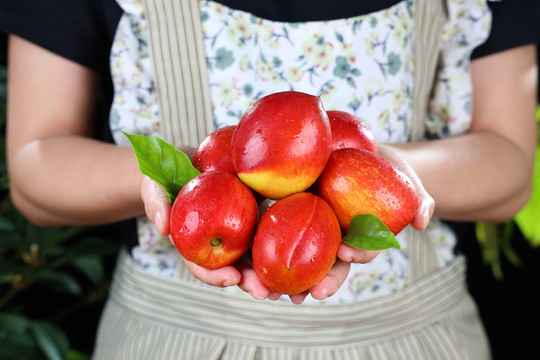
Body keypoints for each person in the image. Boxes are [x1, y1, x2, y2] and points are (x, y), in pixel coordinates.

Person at [1, 0, 538, 358]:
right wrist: (178, 182)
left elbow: (510, 166)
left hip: (412, 337)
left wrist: (384, 170)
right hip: (170, 339)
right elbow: (35, 168)